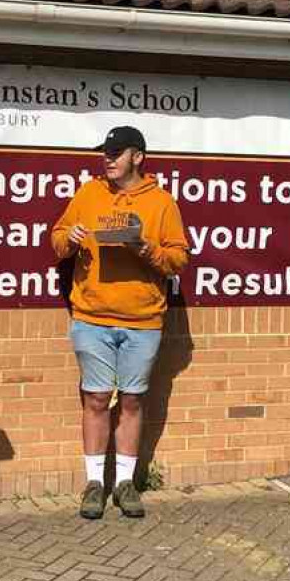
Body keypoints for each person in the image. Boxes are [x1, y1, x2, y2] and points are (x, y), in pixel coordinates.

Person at [51, 125, 189, 519]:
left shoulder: (162, 203)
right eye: (105, 153)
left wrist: (147, 249)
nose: (107, 159)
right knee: (95, 398)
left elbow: (179, 258)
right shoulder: (89, 193)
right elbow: (57, 239)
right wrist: (70, 239)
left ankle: (126, 483)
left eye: (116, 152)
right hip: (91, 316)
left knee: (132, 400)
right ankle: (94, 483)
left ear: (138, 157)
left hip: (142, 319)